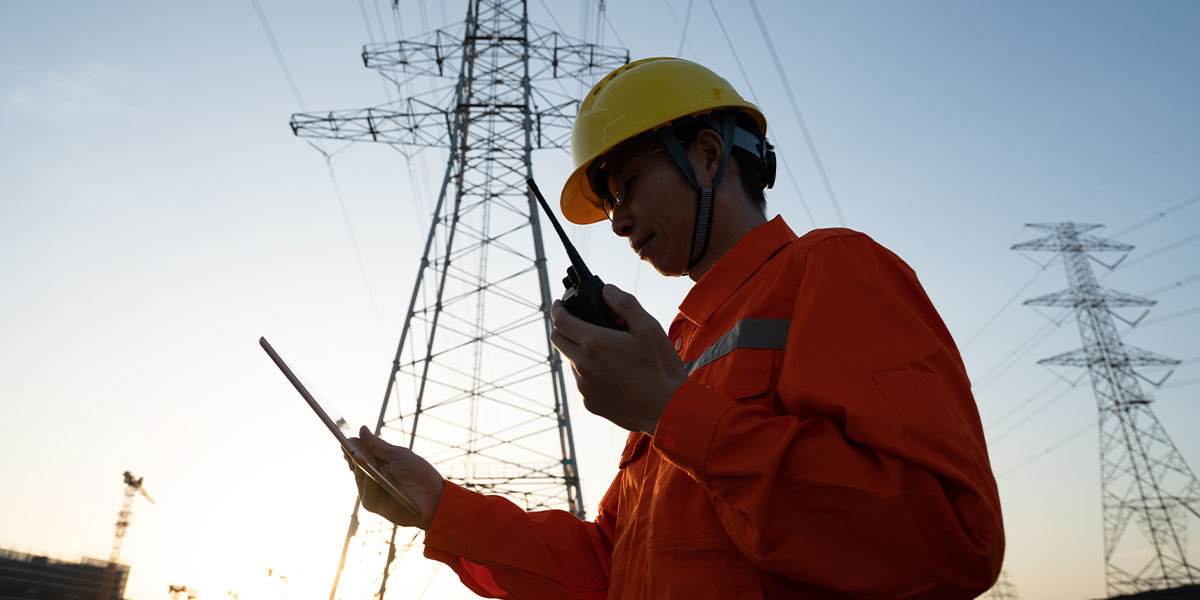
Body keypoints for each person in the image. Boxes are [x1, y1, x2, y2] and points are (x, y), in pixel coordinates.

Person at [347, 57, 1005, 599]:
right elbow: (613, 566)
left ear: (708, 155)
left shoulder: (831, 269)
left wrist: (670, 412)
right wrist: (440, 507)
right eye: (609, 201)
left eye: (626, 185)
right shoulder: (678, 350)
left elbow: (946, 540)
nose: (617, 221)